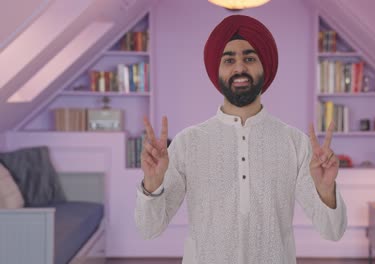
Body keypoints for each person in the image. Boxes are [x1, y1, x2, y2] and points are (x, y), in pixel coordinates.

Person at [135, 15, 347, 264]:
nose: (239, 68)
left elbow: (333, 232)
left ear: (264, 66)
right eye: (229, 60)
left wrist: (325, 190)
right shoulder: (187, 143)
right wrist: (152, 184)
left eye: (249, 58)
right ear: (217, 70)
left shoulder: (295, 143)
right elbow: (149, 230)